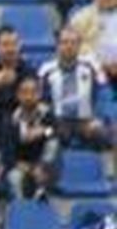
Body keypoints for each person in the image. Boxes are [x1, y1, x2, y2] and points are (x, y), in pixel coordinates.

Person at [40, 23, 110, 151]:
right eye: (65, 42)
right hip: (58, 123)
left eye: (73, 42)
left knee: (107, 134)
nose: (69, 46)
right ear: (57, 45)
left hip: (86, 122)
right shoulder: (46, 70)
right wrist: (51, 122)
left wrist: (99, 118)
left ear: (79, 45)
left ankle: (109, 170)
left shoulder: (92, 66)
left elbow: (104, 94)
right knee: (46, 134)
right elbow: (41, 101)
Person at [6, 74, 57, 201]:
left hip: (44, 164)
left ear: (39, 94)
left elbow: (58, 132)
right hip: (20, 164)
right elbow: (6, 150)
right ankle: (21, 208)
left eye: (33, 92)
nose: (28, 97)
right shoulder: (11, 118)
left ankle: (42, 193)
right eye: (24, 93)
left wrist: (44, 131)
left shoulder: (47, 114)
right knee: (14, 177)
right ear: (18, 95)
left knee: (53, 144)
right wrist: (28, 168)